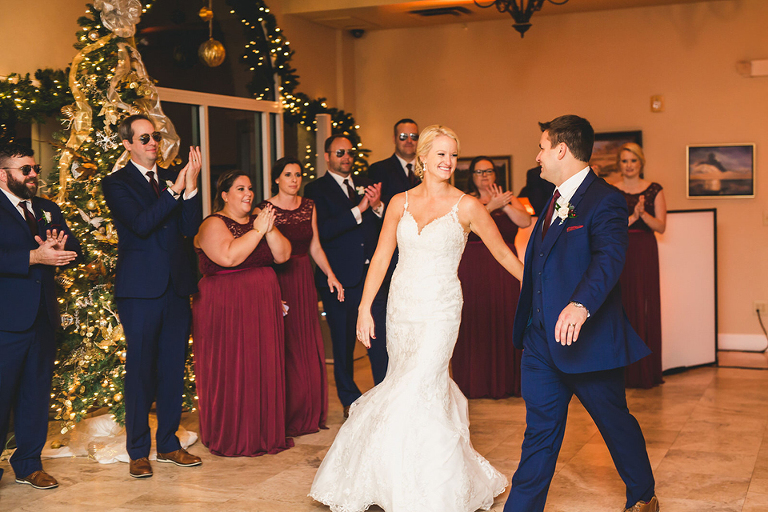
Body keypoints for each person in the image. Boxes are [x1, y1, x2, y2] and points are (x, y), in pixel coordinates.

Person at [310, 125, 523, 512]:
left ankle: (431, 489)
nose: (448, 161)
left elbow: (504, 253)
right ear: (422, 157)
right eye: (441, 153)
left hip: (441, 308)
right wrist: (364, 307)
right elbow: (381, 257)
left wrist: (536, 284)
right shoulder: (399, 202)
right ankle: (394, 476)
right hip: (401, 307)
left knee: (420, 383)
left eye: (453, 155)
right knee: (404, 382)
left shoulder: (468, 206)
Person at [505, 115, 658, 512]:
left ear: (561, 150)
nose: (537, 156)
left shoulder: (605, 199)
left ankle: (643, 496)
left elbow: (609, 258)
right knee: (539, 435)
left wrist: (580, 304)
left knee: (615, 424)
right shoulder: (552, 198)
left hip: (587, 343)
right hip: (540, 342)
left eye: (542, 148)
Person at [102, 114, 203, 478]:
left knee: (173, 369)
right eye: (143, 138)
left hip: (176, 287)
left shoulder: (173, 178)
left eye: (155, 136)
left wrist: (191, 187)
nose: (152, 143)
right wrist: (175, 191)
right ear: (127, 143)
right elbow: (142, 224)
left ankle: (169, 445)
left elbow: (189, 227)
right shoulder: (116, 182)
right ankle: (138, 451)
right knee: (141, 371)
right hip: (140, 291)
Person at [193, 171, 294, 456]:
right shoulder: (213, 223)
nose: (248, 193)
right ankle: (232, 435)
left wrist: (268, 228)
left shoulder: (258, 222)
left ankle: (263, 433)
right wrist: (258, 231)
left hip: (261, 305)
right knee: (233, 369)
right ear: (225, 195)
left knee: (262, 367)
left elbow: (283, 255)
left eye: (249, 188)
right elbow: (229, 257)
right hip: (225, 307)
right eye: (240, 189)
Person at [0, 143, 82, 489]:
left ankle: (29, 465)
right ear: (2, 174)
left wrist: (62, 250)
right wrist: (33, 257)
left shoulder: (48, 208)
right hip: (5, 319)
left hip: (43, 316)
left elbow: (75, 247)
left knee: (35, 394)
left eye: (35, 168)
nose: (33, 174)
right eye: (25, 170)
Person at [258, 157, 343, 436]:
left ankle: (308, 411)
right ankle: (285, 415)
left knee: (306, 343)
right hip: (278, 279)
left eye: (297, 174)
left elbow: (315, 245)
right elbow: (261, 251)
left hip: (304, 278)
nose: (294, 180)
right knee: (285, 345)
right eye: (287, 174)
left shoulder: (309, 205)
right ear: (276, 179)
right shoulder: (264, 209)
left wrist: (330, 274)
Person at [303, 135, 387, 418]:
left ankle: (384, 394)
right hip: (338, 279)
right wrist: (359, 210)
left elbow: (382, 227)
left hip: (371, 276)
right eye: (340, 153)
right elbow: (323, 231)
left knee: (379, 339)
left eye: (350, 152)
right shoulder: (315, 189)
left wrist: (376, 206)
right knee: (343, 343)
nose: (346, 157)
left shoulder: (366, 183)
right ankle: (349, 399)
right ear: (327, 156)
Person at [453, 156, 531, 399]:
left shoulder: (508, 197)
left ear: (495, 174)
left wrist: (503, 205)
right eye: (478, 172)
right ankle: (474, 383)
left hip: (503, 268)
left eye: (488, 171)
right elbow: (460, 228)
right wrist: (490, 207)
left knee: (505, 316)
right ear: (471, 176)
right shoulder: (464, 200)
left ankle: (506, 382)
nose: (484, 176)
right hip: (473, 267)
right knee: (475, 319)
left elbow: (525, 221)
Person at [614, 143, 666, 389]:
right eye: (624, 161)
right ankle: (623, 373)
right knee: (622, 304)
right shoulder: (612, 191)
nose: (629, 165)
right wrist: (633, 217)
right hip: (620, 251)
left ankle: (646, 371)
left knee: (645, 304)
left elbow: (661, 226)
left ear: (641, 162)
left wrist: (643, 215)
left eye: (633, 160)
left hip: (645, 250)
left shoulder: (654, 189)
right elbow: (610, 227)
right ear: (619, 164)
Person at [368, 118, 421, 207]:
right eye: (403, 137)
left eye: (413, 136)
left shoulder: (429, 168)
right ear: (394, 139)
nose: (409, 141)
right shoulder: (379, 169)